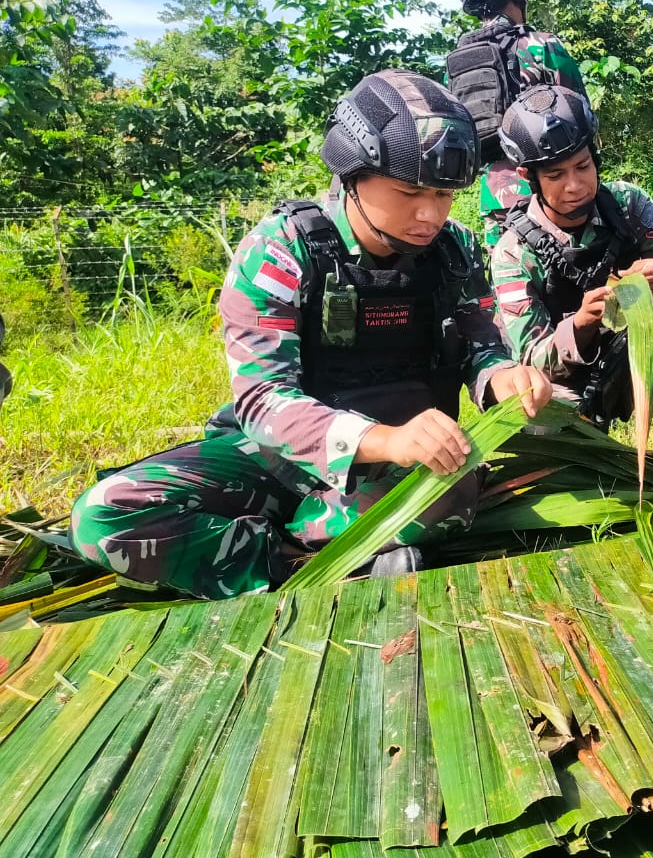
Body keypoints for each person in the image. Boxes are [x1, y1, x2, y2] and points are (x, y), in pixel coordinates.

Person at [69, 70, 551, 599]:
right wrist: (381, 438)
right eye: (410, 191)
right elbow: (261, 399)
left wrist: (505, 376)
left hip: (406, 466)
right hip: (280, 458)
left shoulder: (455, 251)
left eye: (443, 194)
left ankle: (315, 546)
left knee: (448, 494)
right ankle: (303, 559)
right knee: (102, 518)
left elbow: (482, 347)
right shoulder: (282, 250)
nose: (429, 214)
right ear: (353, 175)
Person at [489, 84, 653, 452]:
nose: (575, 185)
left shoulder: (626, 204)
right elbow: (530, 360)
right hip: (564, 386)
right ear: (528, 176)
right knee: (541, 426)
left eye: (583, 166)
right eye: (555, 176)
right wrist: (580, 325)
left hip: (635, 355)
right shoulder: (512, 252)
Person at [446, 0, 586, 251]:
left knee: (509, 276)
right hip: (550, 187)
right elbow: (579, 113)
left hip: (495, 192)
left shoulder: (459, 61)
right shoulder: (542, 46)